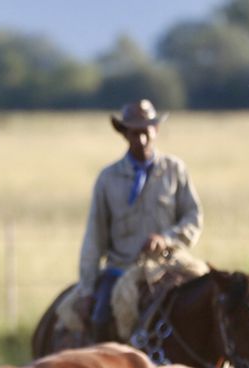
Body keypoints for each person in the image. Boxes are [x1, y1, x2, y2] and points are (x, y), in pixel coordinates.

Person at [75, 99, 204, 342]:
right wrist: (87, 288)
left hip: (168, 264)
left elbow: (193, 216)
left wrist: (166, 239)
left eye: (146, 132)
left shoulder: (174, 170)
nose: (141, 140)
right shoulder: (108, 178)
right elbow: (95, 236)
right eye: (135, 133)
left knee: (207, 304)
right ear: (124, 133)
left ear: (155, 130)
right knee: (100, 319)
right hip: (121, 269)